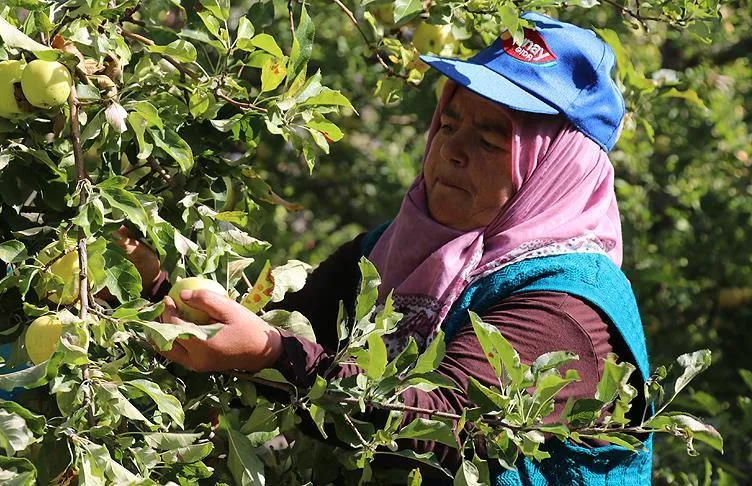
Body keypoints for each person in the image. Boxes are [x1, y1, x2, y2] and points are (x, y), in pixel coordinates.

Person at [121, 12, 652, 484]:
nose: (452, 149)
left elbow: (443, 425)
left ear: (556, 171)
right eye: (449, 122)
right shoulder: (388, 250)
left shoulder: (567, 305)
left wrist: (271, 354)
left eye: (491, 140)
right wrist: (156, 289)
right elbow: (269, 336)